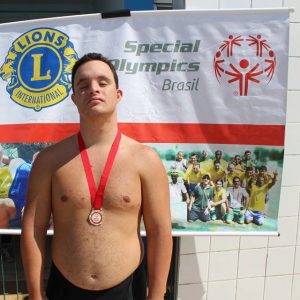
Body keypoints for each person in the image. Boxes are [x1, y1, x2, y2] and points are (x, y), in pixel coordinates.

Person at [21, 53, 172, 300]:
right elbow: (33, 228)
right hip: (64, 288)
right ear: (74, 99)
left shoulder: (145, 159)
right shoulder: (50, 160)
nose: (93, 89)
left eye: (103, 83)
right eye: (83, 85)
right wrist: (36, 295)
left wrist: (156, 295)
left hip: (128, 288)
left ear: (118, 94)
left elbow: (160, 232)